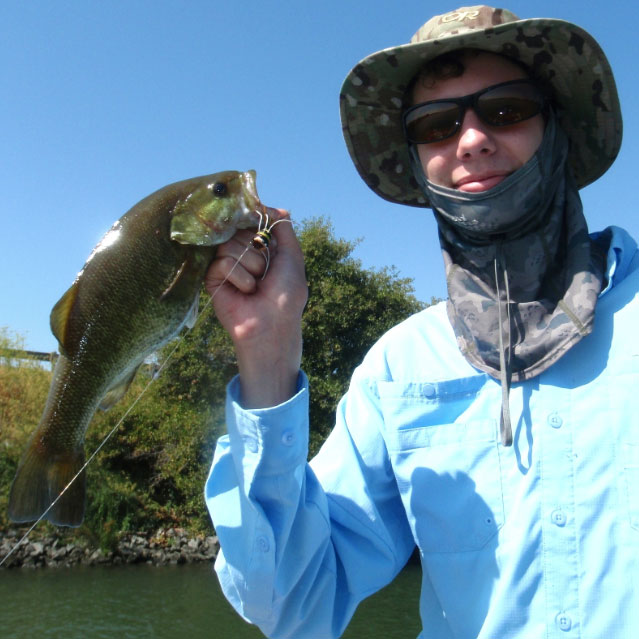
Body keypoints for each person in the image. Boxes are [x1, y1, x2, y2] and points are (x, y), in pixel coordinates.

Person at [204, 6, 637, 638]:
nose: (470, 140)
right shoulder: (397, 367)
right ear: (417, 161)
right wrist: (266, 355)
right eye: (436, 124)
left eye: (507, 110)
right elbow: (295, 607)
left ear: (558, 128)